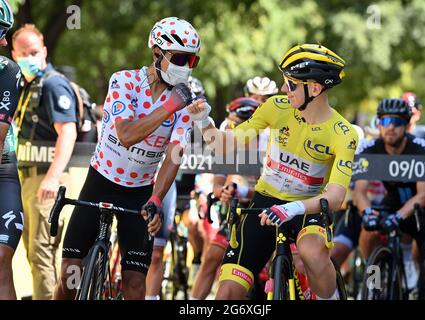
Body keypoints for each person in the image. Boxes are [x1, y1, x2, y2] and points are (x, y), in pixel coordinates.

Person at [188, 44, 358, 300]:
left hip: (308, 207)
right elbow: (224, 145)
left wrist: (293, 209)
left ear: (314, 88)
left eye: (290, 84)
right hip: (266, 202)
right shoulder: (276, 108)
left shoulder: (343, 133)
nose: (282, 89)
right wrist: (203, 121)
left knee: (311, 253)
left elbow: (335, 197)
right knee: (226, 295)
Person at [53, 16, 201, 300]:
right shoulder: (125, 81)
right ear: (156, 52)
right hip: (101, 181)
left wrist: (156, 199)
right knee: (70, 276)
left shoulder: (185, 101)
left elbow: (174, 155)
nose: (186, 67)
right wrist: (170, 106)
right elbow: (126, 134)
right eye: (180, 58)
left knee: (134, 284)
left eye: (192, 61)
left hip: (139, 192)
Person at [10, 23, 79, 300]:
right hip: (27, 178)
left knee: (41, 253)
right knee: (33, 252)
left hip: (45, 179)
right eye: (23, 53)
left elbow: (68, 131)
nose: (30, 57)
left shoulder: (52, 84)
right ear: (14, 54)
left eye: (34, 51)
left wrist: (52, 177)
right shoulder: (28, 85)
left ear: (45, 51)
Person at [354, 98, 425, 299]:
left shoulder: (421, 148)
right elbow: (359, 192)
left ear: (406, 125)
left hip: (419, 213)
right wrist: (368, 212)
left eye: (397, 122)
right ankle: (374, 282)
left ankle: (409, 266)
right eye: (385, 122)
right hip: (391, 203)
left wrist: (398, 217)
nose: (391, 128)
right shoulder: (369, 149)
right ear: (379, 124)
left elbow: (423, 195)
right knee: (368, 231)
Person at [190, 97, 260, 300]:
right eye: (230, 125)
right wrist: (223, 192)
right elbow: (218, 183)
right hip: (237, 215)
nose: (231, 129)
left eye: (236, 126)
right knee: (212, 256)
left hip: (263, 212)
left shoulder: (268, 147)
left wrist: (244, 191)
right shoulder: (229, 149)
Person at [0, 0, 23, 300]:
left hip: (3, 167)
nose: (5, 41)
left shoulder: (7, 70)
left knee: (2, 260)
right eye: (0, 32)